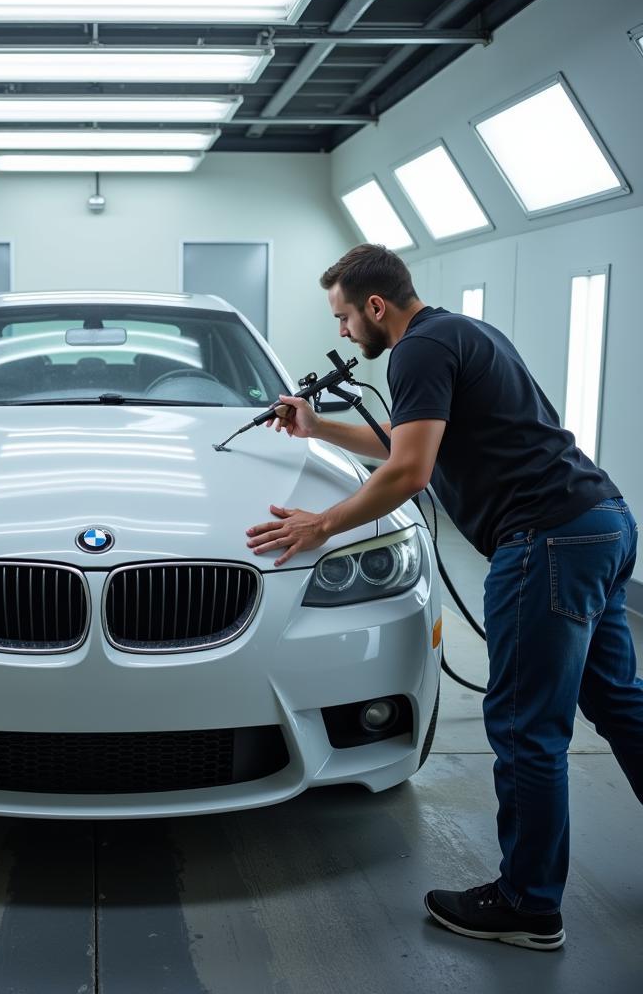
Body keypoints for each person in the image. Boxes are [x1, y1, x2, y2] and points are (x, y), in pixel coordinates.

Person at [245, 242, 642, 951]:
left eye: (342, 318)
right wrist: (316, 427)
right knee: (615, 697)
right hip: (601, 523)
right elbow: (411, 441)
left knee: (526, 726)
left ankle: (528, 905)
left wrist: (321, 525)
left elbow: (408, 472)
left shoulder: (415, 352)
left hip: (546, 541)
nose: (341, 334)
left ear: (375, 307)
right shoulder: (461, 331)